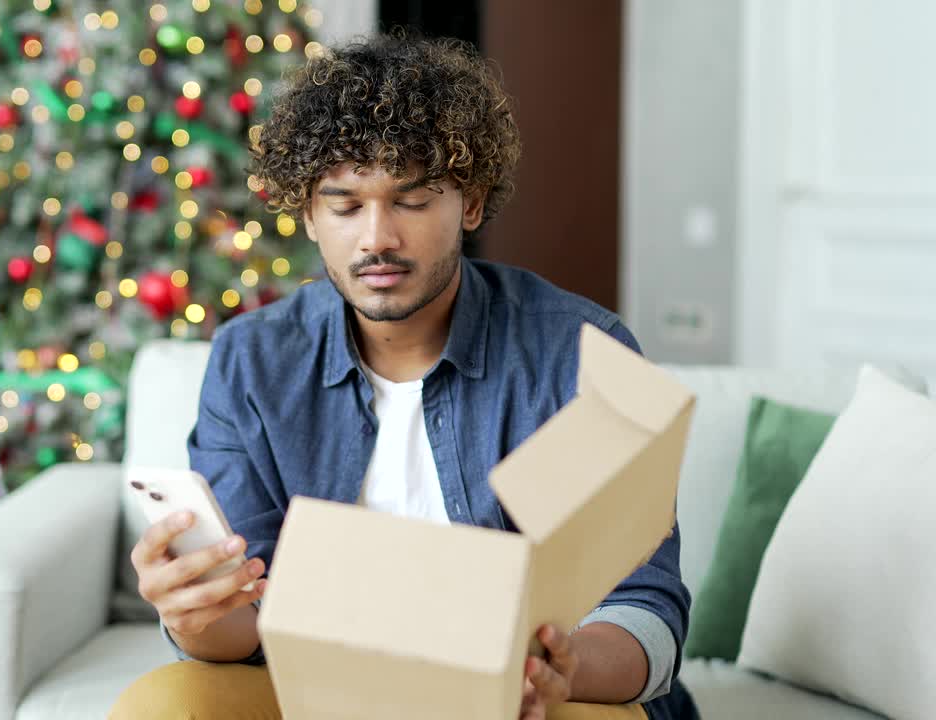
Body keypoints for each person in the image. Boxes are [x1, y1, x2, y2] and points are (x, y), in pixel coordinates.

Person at [111, 32, 697, 720]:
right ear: (308, 212)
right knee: (163, 704)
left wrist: (561, 670)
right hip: (332, 691)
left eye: (412, 200)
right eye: (346, 204)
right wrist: (192, 615)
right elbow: (251, 625)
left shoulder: (580, 350)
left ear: (470, 205)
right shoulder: (252, 362)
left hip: (533, 702)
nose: (377, 237)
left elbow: (644, 604)